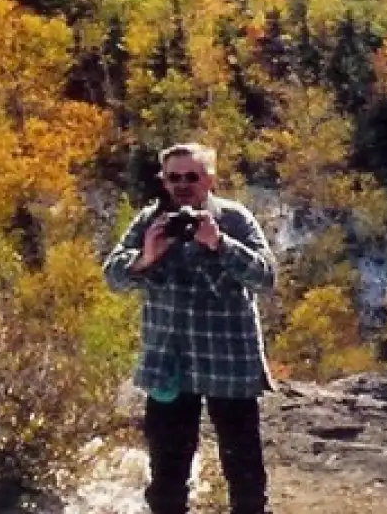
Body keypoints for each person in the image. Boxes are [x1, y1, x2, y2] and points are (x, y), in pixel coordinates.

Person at [104, 142, 278, 514]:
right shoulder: (151, 221)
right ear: (163, 181)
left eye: (192, 177)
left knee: (244, 472)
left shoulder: (234, 219)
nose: (182, 185)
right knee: (167, 476)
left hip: (228, 363)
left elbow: (266, 277)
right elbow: (112, 277)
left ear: (210, 179)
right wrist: (146, 257)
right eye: (174, 177)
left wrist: (220, 244)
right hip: (170, 365)